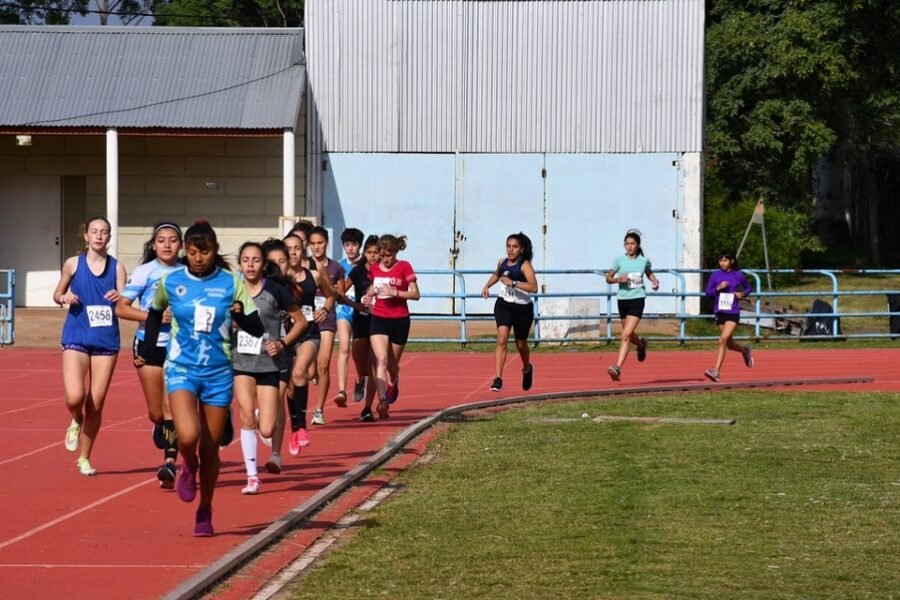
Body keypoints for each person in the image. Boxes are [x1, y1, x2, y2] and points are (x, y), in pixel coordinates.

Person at [142, 220, 264, 537]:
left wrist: (238, 314)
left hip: (219, 373)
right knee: (186, 436)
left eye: (205, 252)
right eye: (193, 252)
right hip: (182, 368)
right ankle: (188, 466)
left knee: (211, 449)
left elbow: (256, 328)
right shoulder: (171, 281)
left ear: (215, 251)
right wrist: (148, 348)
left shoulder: (230, 282)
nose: (198, 258)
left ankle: (205, 509)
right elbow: (154, 314)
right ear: (186, 251)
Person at [53, 216, 127, 476]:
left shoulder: (117, 268)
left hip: (106, 341)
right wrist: (65, 297)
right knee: (75, 397)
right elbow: (56, 294)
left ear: (109, 237)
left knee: (96, 402)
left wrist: (120, 297)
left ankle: (84, 457)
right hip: (77, 335)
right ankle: (76, 418)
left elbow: (125, 304)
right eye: (94, 231)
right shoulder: (73, 264)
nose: (98, 236)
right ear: (86, 236)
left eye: (103, 232)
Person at [233, 242, 306, 495]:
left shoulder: (275, 290)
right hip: (240, 363)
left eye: (255, 260)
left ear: (264, 264)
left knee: (266, 427)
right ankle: (252, 477)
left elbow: (300, 321)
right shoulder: (232, 290)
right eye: (245, 260)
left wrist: (283, 342)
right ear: (239, 263)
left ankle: (265, 436)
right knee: (246, 417)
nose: (250, 265)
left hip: (269, 364)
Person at [115, 222, 183, 488]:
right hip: (148, 343)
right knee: (157, 412)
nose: (167, 245)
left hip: (179, 346)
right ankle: (160, 426)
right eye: (161, 240)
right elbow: (122, 308)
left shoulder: (188, 273)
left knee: (171, 406)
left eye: (173, 240)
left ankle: (169, 462)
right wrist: (155, 316)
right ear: (153, 245)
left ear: (180, 244)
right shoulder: (145, 272)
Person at [283, 233, 332, 454]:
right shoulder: (277, 277)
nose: (293, 252)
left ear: (303, 250)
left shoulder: (314, 273)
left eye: (296, 248)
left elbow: (332, 294)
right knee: (291, 388)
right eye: (288, 249)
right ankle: (295, 427)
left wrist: (325, 309)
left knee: (300, 372)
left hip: (310, 332)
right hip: (285, 336)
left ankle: (301, 426)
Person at [363, 234, 420, 419]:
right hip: (379, 318)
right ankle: (381, 401)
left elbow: (416, 294)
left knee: (392, 365)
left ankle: (393, 380)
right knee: (380, 359)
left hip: (400, 320)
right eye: (383, 255)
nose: (386, 259)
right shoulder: (374, 268)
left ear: (396, 252)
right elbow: (373, 286)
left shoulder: (404, 266)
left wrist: (394, 292)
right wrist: (368, 295)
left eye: (390, 255)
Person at [481, 232, 537, 392]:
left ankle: (527, 368)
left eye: (515, 247)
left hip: (522, 308)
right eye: (508, 246)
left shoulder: (525, 265)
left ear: (521, 249)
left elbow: (533, 287)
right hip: (503, 305)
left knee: (521, 343)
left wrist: (513, 283)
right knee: (502, 339)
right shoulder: (502, 262)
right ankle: (498, 379)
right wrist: (487, 286)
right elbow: (496, 274)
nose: (510, 250)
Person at [605, 229, 659, 381]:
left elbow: (648, 272)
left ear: (638, 245)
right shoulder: (618, 260)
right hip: (623, 299)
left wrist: (655, 281)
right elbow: (608, 278)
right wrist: (617, 280)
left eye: (632, 244)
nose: (629, 247)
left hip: (638, 298)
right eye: (627, 244)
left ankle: (617, 367)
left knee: (626, 335)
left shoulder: (643, 261)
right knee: (629, 334)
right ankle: (641, 344)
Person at [308, 226, 345, 424]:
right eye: (312, 243)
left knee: (323, 365)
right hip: (306, 319)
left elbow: (339, 294)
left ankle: (319, 410)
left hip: (326, 318)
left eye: (320, 243)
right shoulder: (303, 266)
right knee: (310, 370)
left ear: (326, 243)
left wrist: (328, 289)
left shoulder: (336, 269)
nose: (316, 247)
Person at [344, 235, 381, 421]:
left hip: (379, 320)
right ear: (364, 253)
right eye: (369, 252)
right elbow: (339, 291)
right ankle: (359, 378)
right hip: (361, 319)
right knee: (359, 358)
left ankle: (367, 408)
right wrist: (354, 305)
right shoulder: (357, 271)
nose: (373, 256)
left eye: (376, 252)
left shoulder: (384, 271)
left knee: (375, 364)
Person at [703, 250, 754, 382]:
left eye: (725, 260)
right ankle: (745, 351)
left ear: (731, 261)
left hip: (733, 312)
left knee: (722, 340)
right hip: (720, 312)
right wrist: (718, 288)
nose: (722, 263)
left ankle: (716, 372)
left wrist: (742, 294)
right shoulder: (715, 275)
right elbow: (708, 293)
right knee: (729, 344)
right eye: (721, 260)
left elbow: (748, 287)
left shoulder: (738, 275)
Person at [335, 227, 364, 404]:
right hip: (343, 310)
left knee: (358, 353)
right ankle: (341, 390)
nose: (350, 248)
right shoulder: (339, 266)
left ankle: (360, 379)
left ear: (360, 245)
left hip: (361, 311)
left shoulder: (366, 265)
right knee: (344, 347)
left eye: (354, 244)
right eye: (347, 244)